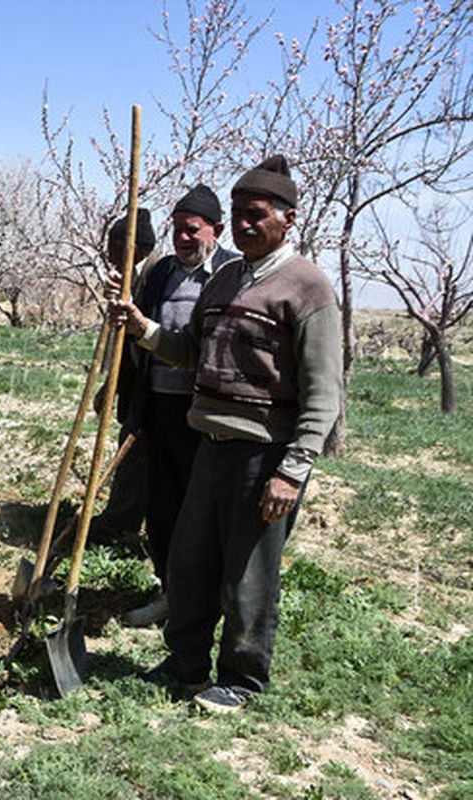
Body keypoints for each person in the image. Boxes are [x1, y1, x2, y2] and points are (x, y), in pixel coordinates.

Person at [109, 155, 342, 713]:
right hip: (208, 446)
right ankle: (185, 662)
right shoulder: (225, 279)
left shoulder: (307, 288)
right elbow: (191, 353)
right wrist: (143, 330)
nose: (243, 224)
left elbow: (323, 394)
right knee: (190, 564)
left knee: (248, 576)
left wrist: (294, 470)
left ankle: (241, 677)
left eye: (255, 214)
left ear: (288, 219)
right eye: (236, 214)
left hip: (264, 455)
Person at [114, 186, 240, 628]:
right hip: (158, 409)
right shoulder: (163, 271)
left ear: (216, 230)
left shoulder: (231, 273)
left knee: (201, 514)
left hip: (203, 415)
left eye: (193, 230)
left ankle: (207, 602)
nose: (183, 239)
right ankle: (170, 592)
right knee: (162, 509)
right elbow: (138, 335)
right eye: (177, 230)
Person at [85, 209, 160, 551]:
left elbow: (145, 335)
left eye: (112, 247)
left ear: (128, 246)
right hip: (134, 382)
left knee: (136, 453)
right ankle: (123, 518)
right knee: (134, 451)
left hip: (155, 386)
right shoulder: (132, 275)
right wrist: (108, 386)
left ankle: (120, 523)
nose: (108, 255)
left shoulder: (158, 273)